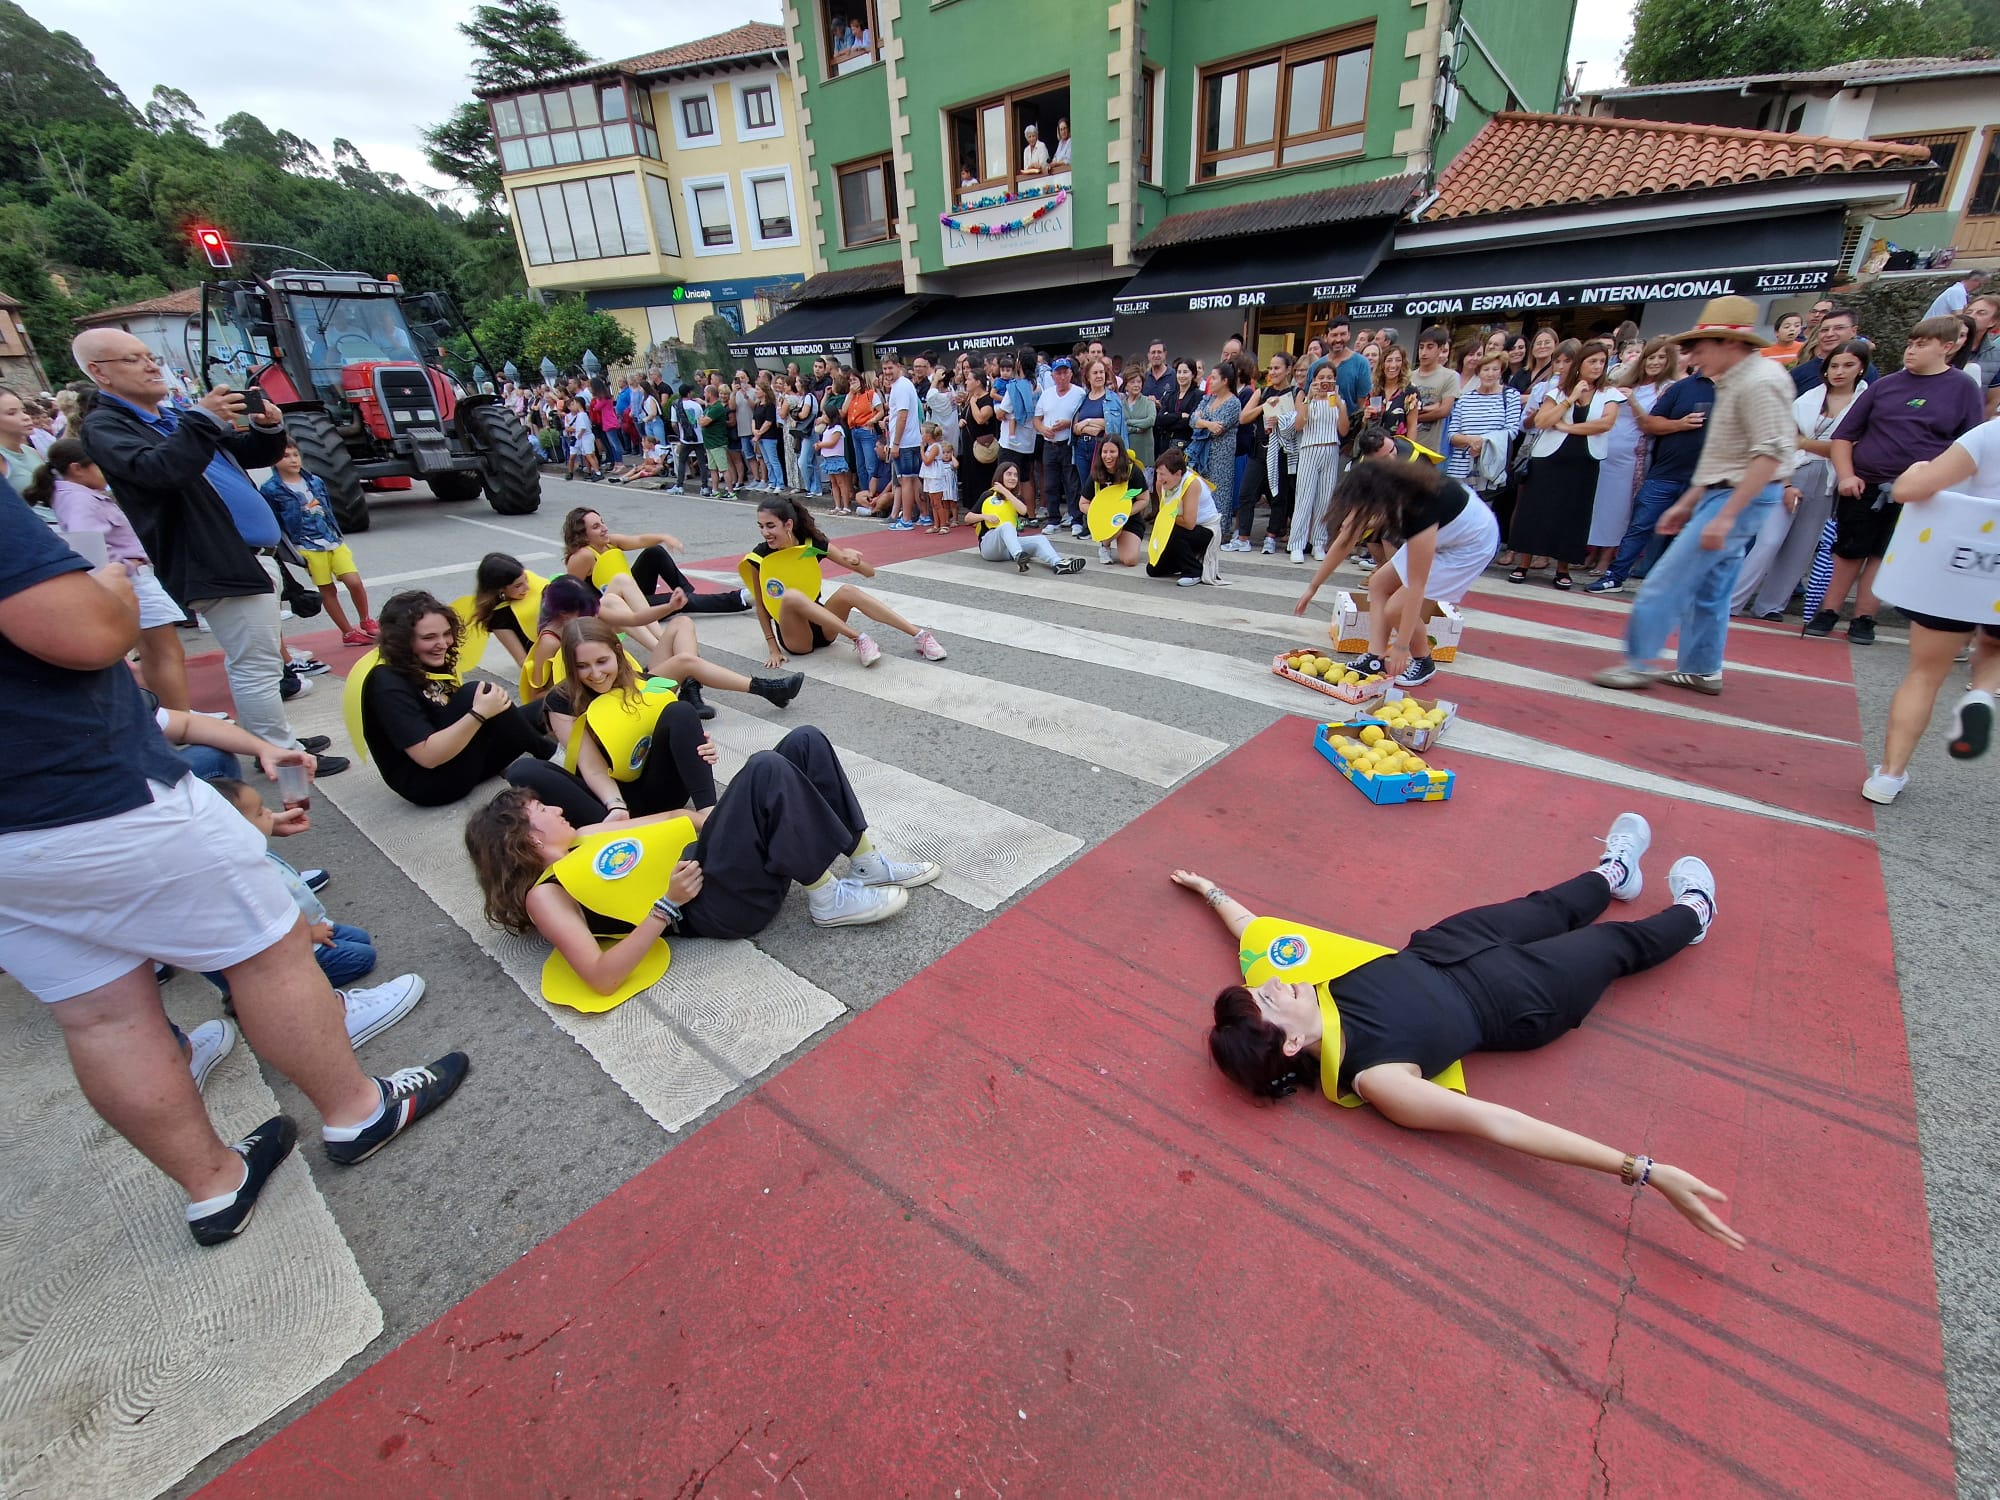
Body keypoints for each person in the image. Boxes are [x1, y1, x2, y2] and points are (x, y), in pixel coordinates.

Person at [0, 492, 466, 1246]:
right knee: (270, 955)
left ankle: (213, 1187)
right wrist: (112, 597)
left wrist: (255, 749)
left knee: (99, 1016)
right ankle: (358, 1111)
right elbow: (78, 633)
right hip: (88, 788)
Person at [1177, 813, 1741, 1249]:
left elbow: (1250, 933)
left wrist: (1210, 891)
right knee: (1613, 946)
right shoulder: (1374, 1078)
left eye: (1264, 987)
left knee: (1550, 905)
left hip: (1453, 942)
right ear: (1291, 1044)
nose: (1273, 985)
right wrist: (1641, 1170)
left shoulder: (1304, 985)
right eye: (1268, 999)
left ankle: (1613, 874)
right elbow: (1498, 1124)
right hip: (1517, 999)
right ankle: (1696, 914)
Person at [465, 725, 936, 1003]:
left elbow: (669, 820)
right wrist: (666, 907)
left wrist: (709, 815)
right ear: (525, 840)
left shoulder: (584, 837)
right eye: (541, 812)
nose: (554, 809)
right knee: (765, 769)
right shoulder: (545, 894)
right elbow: (601, 977)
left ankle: (865, 861)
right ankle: (826, 898)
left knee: (803, 743)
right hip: (711, 907)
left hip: (711, 865)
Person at [75, 329, 340, 774]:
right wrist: (199, 419)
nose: (150, 364)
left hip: (249, 555)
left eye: (149, 355)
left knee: (260, 658)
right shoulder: (107, 426)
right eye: (133, 359)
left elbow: (246, 453)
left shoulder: (170, 414)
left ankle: (276, 739)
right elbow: (160, 471)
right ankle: (280, 755)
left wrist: (267, 427)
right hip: (216, 560)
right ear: (100, 373)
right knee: (254, 664)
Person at [1593, 297, 1797, 697]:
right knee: (1710, 589)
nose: (1691, 358)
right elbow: (1732, 454)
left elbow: (1770, 454)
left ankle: (1639, 662)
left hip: (1739, 497)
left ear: (1730, 343)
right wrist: (1690, 503)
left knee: (1666, 580)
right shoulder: (1736, 378)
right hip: (1728, 493)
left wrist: (1725, 516)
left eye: (1699, 349)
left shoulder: (1760, 382)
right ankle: (1702, 668)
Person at [1810, 316, 1987, 645]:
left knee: (1885, 554)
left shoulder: (1962, 387)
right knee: (1848, 550)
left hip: (1919, 491)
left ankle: (1865, 616)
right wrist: (1847, 475)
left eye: (1922, 344)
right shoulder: (1886, 384)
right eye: (1910, 343)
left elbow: (1970, 443)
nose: (1911, 350)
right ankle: (1828, 611)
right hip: (1865, 482)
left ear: (1946, 348)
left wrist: (1940, 484)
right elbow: (1845, 436)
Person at [1860, 416, 2000, 804]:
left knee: (1925, 674)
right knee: (1993, 649)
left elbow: (1911, 489)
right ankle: (1983, 694)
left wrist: (1914, 471)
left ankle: (1888, 776)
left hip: (1961, 563)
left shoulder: (1990, 434)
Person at [1298, 432, 1501, 687]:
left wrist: (1403, 646)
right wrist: (1313, 587)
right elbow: (1346, 537)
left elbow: (1417, 585)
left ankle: (1423, 660)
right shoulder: (1383, 483)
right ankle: (1375, 656)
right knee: (1379, 584)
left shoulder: (1416, 507)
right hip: (1444, 532)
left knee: (1397, 608)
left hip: (1469, 544)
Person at [26, 438, 191, 711]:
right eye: (100, 466)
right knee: (165, 652)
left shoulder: (74, 495)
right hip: (129, 579)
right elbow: (88, 547)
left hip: (126, 578)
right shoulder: (78, 499)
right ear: (78, 468)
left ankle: (175, 712)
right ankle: (180, 713)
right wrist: (126, 565)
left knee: (157, 652)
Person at [1738, 341, 1868, 620]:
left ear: (1862, 369)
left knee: (1801, 547)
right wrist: (1786, 483)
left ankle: (1770, 606)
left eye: (1848, 365)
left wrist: (1807, 442)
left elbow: (1848, 447)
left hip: (1830, 479)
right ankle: (1731, 602)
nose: (1839, 372)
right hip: (1791, 471)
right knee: (1769, 541)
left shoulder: (1866, 402)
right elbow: (1784, 442)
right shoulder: (1807, 398)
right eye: (1834, 365)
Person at [751, 496, 948, 667]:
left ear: (788, 525)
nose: (765, 532)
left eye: (770, 526)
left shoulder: (812, 544)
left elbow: (868, 573)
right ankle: (858, 638)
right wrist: (773, 648)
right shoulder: (760, 556)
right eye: (761, 526)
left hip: (826, 628)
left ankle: (921, 636)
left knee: (847, 590)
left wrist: (856, 561)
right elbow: (761, 605)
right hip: (796, 638)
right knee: (792, 596)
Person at [1589, 352, 1716, 595]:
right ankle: (1615, 577)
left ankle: (1672, 587)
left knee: (1689, 535)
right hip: (1665, 472)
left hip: (1705, 478)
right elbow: (1649, 424)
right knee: (1640, 525)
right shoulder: (1682, 388)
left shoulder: (1738, 391)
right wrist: (1680, 424)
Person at [1511, 340, 1622, 589]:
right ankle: (1524, 562)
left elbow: (1605, 424)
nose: (1597, 366)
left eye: (1602, 362)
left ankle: (1563, 568)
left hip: (1585, 461)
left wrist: (1568, 428)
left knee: (1573, 515)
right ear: (1580, 364)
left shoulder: (1609, 394)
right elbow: (1541, 421)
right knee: (1536, 510)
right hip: (1550, 459)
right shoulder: (1558, 391)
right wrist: (1570, 398)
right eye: (1592, 361)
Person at [259, 439, 375, 646]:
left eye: (295, 455)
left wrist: (336, 532)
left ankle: (366, 619)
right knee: (327, 589)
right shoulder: (271, 489)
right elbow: (275, 520)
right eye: (286, 456)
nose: (293, 460)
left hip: (331, 539)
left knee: (354, 581)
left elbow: (328, 508)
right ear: (274, 460)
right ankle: (347, 632)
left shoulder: (314, 481)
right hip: (307, 545)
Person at [1587, 338, 1676, 574]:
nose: (1655, 362)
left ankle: (1607, 557)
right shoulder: (1627, 381)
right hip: (1606, 449)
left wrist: (1633, 401)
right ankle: (1593, 551)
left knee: (1619, 508)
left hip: (1632, 457)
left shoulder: (1668, 388)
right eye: (1651, 357)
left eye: (1661, 357)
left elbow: (1650, 424)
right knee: (1599, 504)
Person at [561, 507, 749, 617]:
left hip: (631, 593)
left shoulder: (609, 541)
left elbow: (640, 541)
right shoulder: (583, 556)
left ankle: (690, 595)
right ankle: (740, 599)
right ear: (582, 534)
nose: (604, 528)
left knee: (654, 552)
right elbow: (571, 597)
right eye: (596, 526)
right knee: (675, 601)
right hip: (618, 609)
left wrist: (664, 537)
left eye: (602, 522)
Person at [1442, 352, 1524, 516]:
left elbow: (1512, 430)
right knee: (1455, 513)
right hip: (1459, 467)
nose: (1490, 373)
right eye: (1486, 369)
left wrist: (1483, 443)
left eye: (1495, 369)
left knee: (1482, 515)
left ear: (1501, 371)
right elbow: (1451, 433)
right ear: (1479, 371)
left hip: (1488, 467)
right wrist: (1469, 441)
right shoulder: (1465, 399)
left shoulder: (1510, 396)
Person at [977, 462, 1089, 575]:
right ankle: (1019, 556)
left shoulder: (1017, 499)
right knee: (1006, 526)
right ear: (1000, 476)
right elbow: (968, 518)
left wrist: (1005, 492)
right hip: (989, 546)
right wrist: (984, 516)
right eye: (1009, 474)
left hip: (1008, 548)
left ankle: (1058, 563)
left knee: (1040, 539)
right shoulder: (988, 495)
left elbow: (1023, 511)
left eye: (1015, 475)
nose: (1012, 478)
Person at [1286, 360, 1348, 564]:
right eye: (1321, 378)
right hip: (1309, 449)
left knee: (1325, 498)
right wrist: (1309, 399)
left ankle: (1319, 542)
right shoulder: (1304, 398)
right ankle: (1297, 544)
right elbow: (1298, 425)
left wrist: (1340, 405)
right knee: (1304, 498)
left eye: (1329, 378)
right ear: (1314, 380)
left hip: (1331, 448)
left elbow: (1344, 430)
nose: (1325, 381)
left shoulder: (1338, 401)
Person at [1146, 447, 1222, 587]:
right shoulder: (1160, 483)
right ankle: (1183, 561)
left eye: (1163, 474)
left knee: (1175, 531)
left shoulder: (1192, 484)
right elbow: (1164, 511)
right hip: (1178, 525)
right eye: (1158, 473)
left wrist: (1167, 519)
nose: (1159, 478)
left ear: (1178, 474)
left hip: (1205, 529)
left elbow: (1189, 523)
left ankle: (1194, 571)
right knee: (1153, 569)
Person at [1034, 357, 1087, 534]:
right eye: (1058, 373)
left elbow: (1083, 418)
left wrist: (1068, 423)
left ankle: (1076, 518)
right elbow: (1037, 419)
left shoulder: (1079, 393)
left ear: (1071, 374)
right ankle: (1053, 519)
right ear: (1053, 375)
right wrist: (1043, 430)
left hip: (1069, 442)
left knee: (1072, 483)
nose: (1062, 376)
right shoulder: (1047, 393)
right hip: (1050, 443)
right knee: (1050, 483)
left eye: (1065, 372)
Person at [1189, 365, 1241, 535]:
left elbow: (1219, 428)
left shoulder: (1233, 402)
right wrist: (1207, 424)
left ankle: (1219, 533)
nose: (1210, 381)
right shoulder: (1208, 399)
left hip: (1221, 457)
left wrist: (1203, 422)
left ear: (1225, 381)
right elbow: (1192, 420)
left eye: (1215, 378)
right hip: (1202, 454)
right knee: (1201, 493)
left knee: (1219, 495)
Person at [1792, 308, 1877, 395]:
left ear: (1853, 331)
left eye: (1839, 328)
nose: (1829, 334)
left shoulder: (1866, 371)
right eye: (1825, 330)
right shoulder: (1799, 373)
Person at [883, 355, 925, 529]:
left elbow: (902, 415)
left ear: (898, 366)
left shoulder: (900, 387)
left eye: (890, 368)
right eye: (884, 369)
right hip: (913, 440)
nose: (887, 372)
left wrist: (896, 443)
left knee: (905, 480)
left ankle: (906, 519)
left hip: (905, 442)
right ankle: (924, 515)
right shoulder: (905, 384)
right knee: (914, 479)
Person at [918, 420, 958, 532]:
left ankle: (944, 524)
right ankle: (936, 525)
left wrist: (921, 450)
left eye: (923, 433)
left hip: (936, 476)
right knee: (933, 502)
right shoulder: (931, 446)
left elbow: (927, 461)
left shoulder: (935, 447)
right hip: (930, 476)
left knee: (937, 502)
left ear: (928, 435)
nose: (921, 436)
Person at [1120, 366, 1157, 469]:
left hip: (1145, 455)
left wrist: (1129, 422)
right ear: (1126, 385)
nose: (1136, 385)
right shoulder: (1121, 405)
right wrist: (1136, 429)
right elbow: (1120, 426)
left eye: (1139, 382)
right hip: (1127, 454)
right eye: (1132, 382)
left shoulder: (1149, 402)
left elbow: (1150, 421)